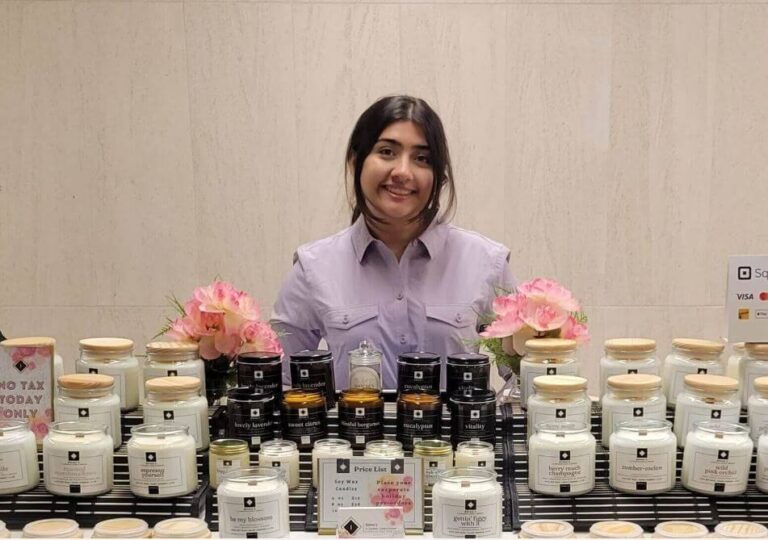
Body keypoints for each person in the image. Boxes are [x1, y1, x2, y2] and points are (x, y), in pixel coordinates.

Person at [271, 95, 515, 389]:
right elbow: (280, 383)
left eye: (422, 159)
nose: (402, 172)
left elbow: (527, 378)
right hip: (355, 434)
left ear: (440, 176)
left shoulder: (486, 262)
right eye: (386, 152)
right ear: (354, 161)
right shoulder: (313, 268)